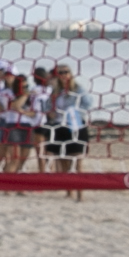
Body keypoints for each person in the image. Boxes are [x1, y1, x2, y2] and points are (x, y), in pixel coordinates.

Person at [45, 64, 90, 199]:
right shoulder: (55, 91)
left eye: (66, 72)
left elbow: (88, 103)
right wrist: (50, 112)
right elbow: (46, 106)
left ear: (71, 73)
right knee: (62, 161)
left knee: (77, 161)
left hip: (75, 126)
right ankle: (69, 190)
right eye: (60, 72)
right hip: (59, 127)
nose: (64, 75)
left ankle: (80, 193)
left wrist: (74, 112)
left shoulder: (78, 89)